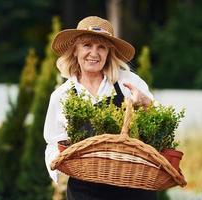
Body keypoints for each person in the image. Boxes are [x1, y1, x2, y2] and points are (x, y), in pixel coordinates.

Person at [44, 16, 156, 200]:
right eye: (87, 45)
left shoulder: (127, 82)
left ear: (109, 52)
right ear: (75, 50)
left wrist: (145, 103)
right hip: (84, 190)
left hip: (131, 185)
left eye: (101, 47)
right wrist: (59, 166)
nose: (94, 53)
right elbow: (53, 143)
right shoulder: (61, 96)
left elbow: (159, 123)